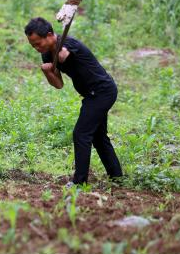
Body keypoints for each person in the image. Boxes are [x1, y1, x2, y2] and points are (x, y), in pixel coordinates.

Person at [24, 17, 123, 186]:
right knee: (98, 137)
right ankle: (116, 177)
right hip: (92, 94)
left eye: (38, 43)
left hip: (102, 92)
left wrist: (60, 51)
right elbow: (59, 84)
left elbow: (65, 55)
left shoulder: (69, 43)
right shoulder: (46, 53)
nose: (37, 48)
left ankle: (79, 182)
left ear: (49, 35)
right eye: (33, 45)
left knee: (81, 134)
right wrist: (48, 72)